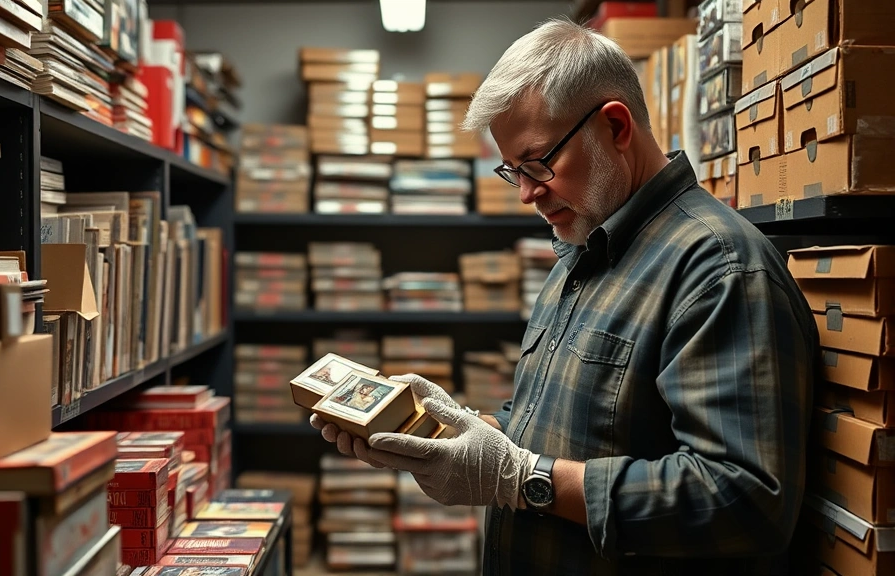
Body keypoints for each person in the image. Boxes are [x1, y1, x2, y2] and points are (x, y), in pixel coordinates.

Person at [311, 17, 817, 575]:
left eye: (538, 163)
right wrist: (458, 430)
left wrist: (518, 477)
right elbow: (569, 428)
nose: (527, 193)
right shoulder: (583, 243)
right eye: (513, 172)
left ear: (616, 127)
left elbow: (745, 501)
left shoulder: (718, 269)